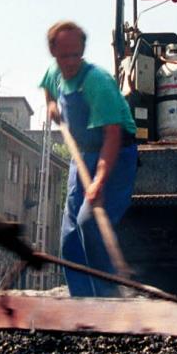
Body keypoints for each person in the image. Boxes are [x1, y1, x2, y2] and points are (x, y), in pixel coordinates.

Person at [40, 21, 138, 297]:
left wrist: (98, 183)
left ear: (82, 51)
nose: (70, 61)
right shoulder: (55, 71)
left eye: (75, 54)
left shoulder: (98, 82)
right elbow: (47, 85)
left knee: (90, 222)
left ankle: (108, 296)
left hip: (116, 155)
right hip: (81, 154)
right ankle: (83, 301)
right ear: (54, 53)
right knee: (70, 237)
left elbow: (113, 137)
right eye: (63, 56)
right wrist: (50, 104)